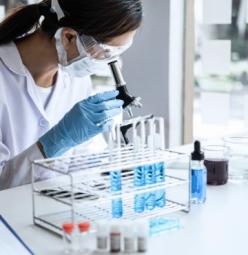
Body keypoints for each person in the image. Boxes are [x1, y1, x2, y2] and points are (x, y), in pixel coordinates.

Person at [0, 0, 143, 190]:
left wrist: (116, 169)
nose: (109, 61)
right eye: (106, 52)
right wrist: (57, 141)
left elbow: (86, 159)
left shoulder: (75, 77)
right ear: (68, 37)